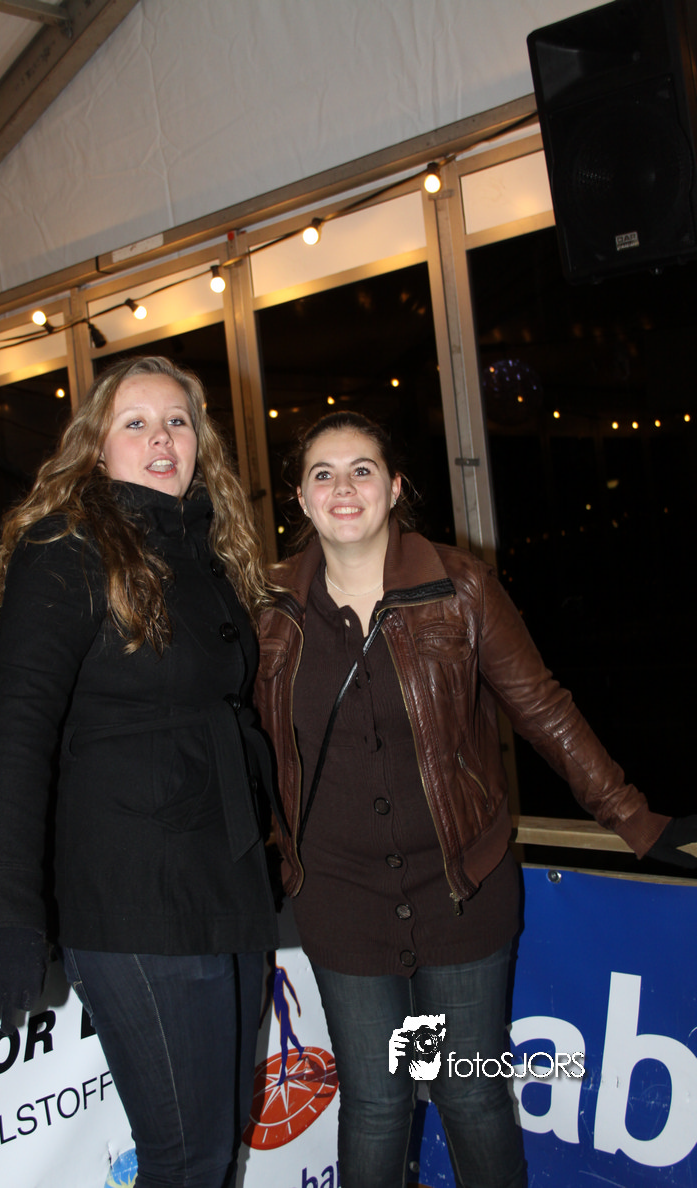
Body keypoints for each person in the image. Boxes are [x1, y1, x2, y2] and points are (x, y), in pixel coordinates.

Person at [253, 410, 697, 1188]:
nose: (343, 487)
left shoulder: (460, 585)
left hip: (461, 887)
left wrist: (633, 818)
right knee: (377, 1103)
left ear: (395, 487)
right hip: (340, 897)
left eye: (362, 470)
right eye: (323, 473)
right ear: (301, 497)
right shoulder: (267, 608)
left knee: (471, 1095)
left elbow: (543, 709)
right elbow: (238, 738)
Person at [0, 356, 279, 1188]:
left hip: (223, 882)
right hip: (135, 895)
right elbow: (17, 737)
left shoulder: (207, 551)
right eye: (135, 423)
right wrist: (7, 917)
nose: (161, 438)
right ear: (96, 447)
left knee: (219, 1145)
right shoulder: (66, 549)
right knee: (186, 1160)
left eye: (177, 421)